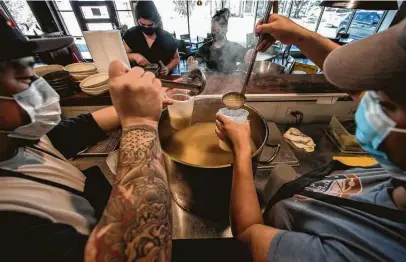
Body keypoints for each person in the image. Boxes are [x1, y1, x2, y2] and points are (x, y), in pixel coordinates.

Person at [216, 14, 406, 262]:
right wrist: (298, 35)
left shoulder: (365, 251)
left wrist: (241, 150)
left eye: (384, 104)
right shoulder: (395, 171)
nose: (363, 99)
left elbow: (248, 234)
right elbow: (357, 83)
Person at [0, 13, 171, 261]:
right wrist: (140, 122)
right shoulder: (11, 223)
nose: (41, 86)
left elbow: (72, 131)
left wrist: (143, 104)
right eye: (24, 78)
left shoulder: (17, 138)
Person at [123, 1, 179, 76]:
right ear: (137, 20)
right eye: (142, 24)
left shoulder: (166, 37)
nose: (146, 27)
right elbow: (123, 55)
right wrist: (135, 56)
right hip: (139, 78)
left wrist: (168, 68)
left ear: (156, 21)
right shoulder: (131, 35)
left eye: (150, 25)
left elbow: (176, 58)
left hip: (162, 79)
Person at [192, 8, 254, 73]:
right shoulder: (206, 47)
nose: (214, 33)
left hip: (230, 81)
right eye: (212, 30)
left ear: (225, 30)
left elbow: (246, 56)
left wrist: (250, 53)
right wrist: (193, 62)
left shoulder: (233, 47)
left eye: (217, 30)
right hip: (210, 81)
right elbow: (197, 59)